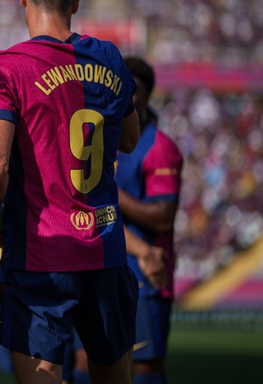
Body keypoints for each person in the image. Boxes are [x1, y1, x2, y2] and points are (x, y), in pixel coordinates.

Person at [0, 0, 141, 384]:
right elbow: (129, 138)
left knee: (41, 376)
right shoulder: (109, 57)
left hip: (41, 252)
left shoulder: (7, 66)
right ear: (76, 2)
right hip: (105, 249)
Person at [75, 57, 183, 384]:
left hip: (145, 274)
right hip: (99, 264)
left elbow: (163, 218)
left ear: (134, 97)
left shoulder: (159, 148)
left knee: (145, 367)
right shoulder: (102, 138)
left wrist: (104, 184)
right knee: (85, 361)